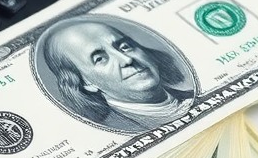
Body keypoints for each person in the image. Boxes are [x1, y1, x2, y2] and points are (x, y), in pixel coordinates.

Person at [39, 18, 195, 132]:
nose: (126, 59)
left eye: (125, 47)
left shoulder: (191, 95)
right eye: (100, 59)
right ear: (85, 82)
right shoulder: (117, 128)